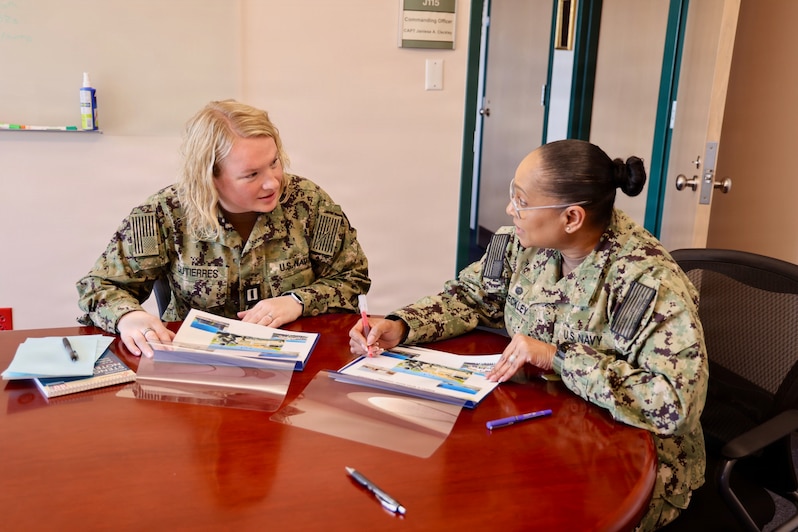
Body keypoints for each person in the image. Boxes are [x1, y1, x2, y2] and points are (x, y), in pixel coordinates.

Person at [349, 139, 707, 530]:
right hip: (544, 427)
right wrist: (401, 325)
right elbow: (469, 297)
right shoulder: (521, 244)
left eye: (521, 201)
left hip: (627, 463)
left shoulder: (648, 282)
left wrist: (557, 357)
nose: (510, 210)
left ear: (571, 218)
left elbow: (675, 403)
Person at [78, 99, 370, 358]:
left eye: (274, 163)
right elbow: (100, 286)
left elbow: (352, 279)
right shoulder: (165, 213)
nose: (272, 182)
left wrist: (298, 302)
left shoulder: (308, 202)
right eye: (251, 174)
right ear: (209, 177)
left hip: (296, 361)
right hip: (200, 367)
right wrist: (128, 317)